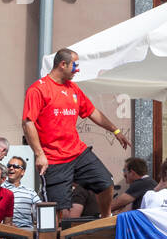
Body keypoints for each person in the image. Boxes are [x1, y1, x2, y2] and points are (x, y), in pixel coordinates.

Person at [22, 48, 129, 216]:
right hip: (54, 159)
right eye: (74, 65)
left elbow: (93, 112)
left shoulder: (73, 89)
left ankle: (105, 217)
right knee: (58, 211)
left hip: (77, 153)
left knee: (106, 183)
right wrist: (39, 154)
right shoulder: (38, 90)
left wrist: (115, 130)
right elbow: (28, 123)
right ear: (63, 65)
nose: (77, 70)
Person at [2, 156, 42, 230]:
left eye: (15, 166)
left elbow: (41, 212)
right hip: (5, 229)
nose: (11, 168)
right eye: (9, 166)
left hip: (26, 230)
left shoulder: (30, 192)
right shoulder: (0, 188)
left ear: (22, 172)